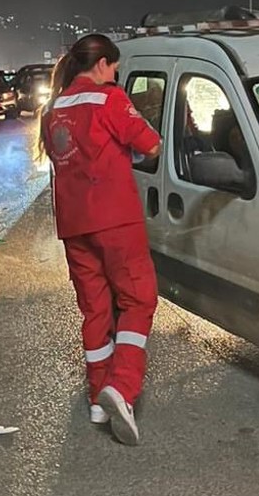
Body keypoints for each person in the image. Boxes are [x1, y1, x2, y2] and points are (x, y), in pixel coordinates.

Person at [39, 34, 162, 446]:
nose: (117, 73)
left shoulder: (54, 107)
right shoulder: (109, 99)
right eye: (115, 67)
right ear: (103, 64)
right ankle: (122, 387)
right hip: (114, 218)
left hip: (74, 224)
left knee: (95, 309)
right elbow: (151, 143)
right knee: (138, 300)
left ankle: (97, 398)